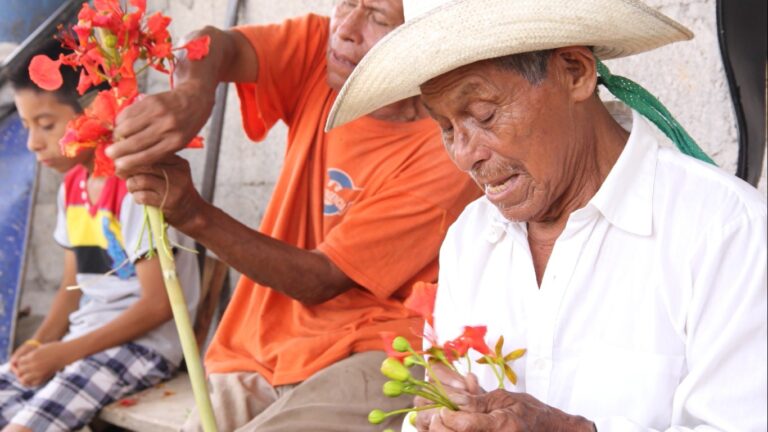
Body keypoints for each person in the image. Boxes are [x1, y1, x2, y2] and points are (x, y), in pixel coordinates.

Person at [327, 0, 768, 431]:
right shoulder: (471, 237)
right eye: (446, 128)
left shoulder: (727, 232)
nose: (464, 155)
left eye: (484, 115)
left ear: (575, 72)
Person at [106, 0, 480, 430]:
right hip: (260, 348)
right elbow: (214, 44)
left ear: (423, 40)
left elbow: (320, 279)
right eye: (346, 3)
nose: (346, 28)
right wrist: (193, 92)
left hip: (372, 348)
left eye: (378, 17)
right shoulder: (325, 53)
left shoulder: (446, 153)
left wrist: (192, 215)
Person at [0, 41, 200, 432]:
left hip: (144, 347)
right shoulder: (72, 187)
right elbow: (72, 287)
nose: (33, 143)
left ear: (95, 112)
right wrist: (40, 344)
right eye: (27, 126)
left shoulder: (137, 189)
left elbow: (158, 305)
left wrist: (63, 353)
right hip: (83, 342)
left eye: (46, 125)